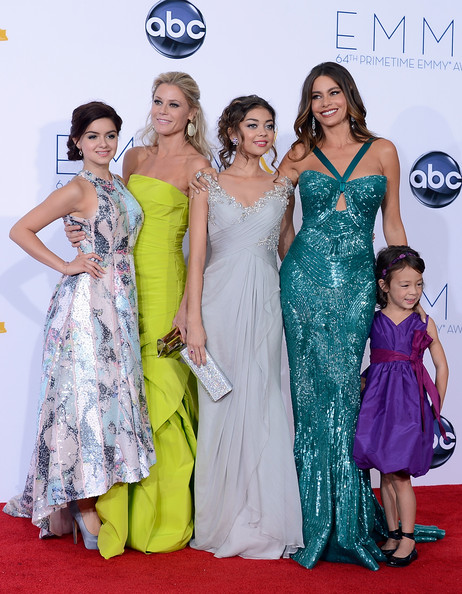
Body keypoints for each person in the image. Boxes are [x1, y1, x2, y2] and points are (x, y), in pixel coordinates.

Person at [277, 62, 444, 570]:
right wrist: (292, 270)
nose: (326, 102)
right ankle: (313, 518)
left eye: (334, 92)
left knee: (349, 397)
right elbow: (277, 221)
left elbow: (393, 225)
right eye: (316, 95)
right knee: (310, 400)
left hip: (356, 288)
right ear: (308, 105)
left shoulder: (383, 150)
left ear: (349, 96)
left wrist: (410, 298)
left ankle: (349, 517)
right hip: (304, 285)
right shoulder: (299, 154)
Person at [66, 72, 211, 557]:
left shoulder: (198, 166)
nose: (162, 112)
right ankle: (116, 514)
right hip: (120, 290)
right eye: (157, 102)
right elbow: (114, 214)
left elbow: (199, 249)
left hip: (167, 288)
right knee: (127, 402)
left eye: (173, 104)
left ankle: (162, 520)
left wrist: (189, 309)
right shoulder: (132, 158)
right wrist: (77, 229)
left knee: (163, 403)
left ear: (191, 113)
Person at [4, 102, 156, 550]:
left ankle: (86, 499)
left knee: (110, 400)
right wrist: (67, 264)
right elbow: (20, 230)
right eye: (93, 136)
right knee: (84, 399)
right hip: (87, 304)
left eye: (110, 135)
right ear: (77, 142)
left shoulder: (119, 182)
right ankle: (84, 507)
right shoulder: (76, 187)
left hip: (120, 302)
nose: (103, 144)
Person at [186, 95, 303, 558]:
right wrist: (193, 319)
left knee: (265, 398)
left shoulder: (282, 186)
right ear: (233, 132)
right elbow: (197, 257)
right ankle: (220, 519)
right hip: (217, 303)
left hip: (268, 303)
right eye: (252, 125)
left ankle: (264, 516)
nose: (263, 133)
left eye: (269, 125)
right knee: (221, 403)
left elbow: (287, 248)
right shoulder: (207, 183)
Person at [353, 246, 448, 567]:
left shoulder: (423, 323)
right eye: (405, 285)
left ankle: (408, 537)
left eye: (418, 284)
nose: (413, 292)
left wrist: (434, 408)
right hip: (378, 404)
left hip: (408, 406)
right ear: (384, 285)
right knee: (385, 471)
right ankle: (393, 533)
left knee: (401, 475)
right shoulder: (372, 320)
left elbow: (442, 367)